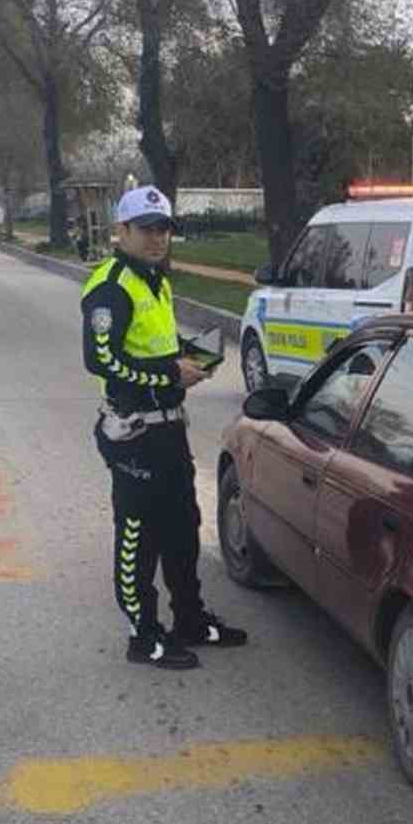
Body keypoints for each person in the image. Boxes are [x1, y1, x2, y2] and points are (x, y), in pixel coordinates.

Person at [81, 185, 247, 669]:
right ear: (122, 230)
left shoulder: (156, 280)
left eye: (164, 229)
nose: (158, 239)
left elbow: (155, 343)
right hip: (134, 433)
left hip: (169, 430)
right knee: (138, 534)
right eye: (147, 229)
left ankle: (189, 619)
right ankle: (144, 635)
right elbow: (102, 359)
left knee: (182, 528)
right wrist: (169, 375)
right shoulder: (111, 285)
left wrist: (189, 357)